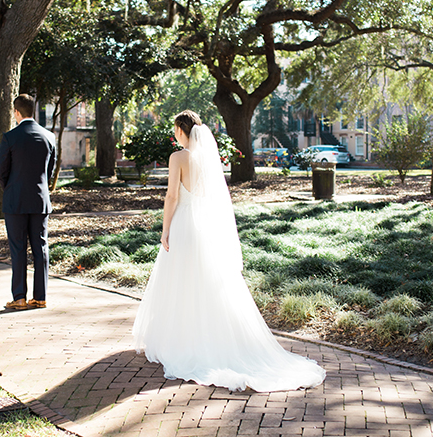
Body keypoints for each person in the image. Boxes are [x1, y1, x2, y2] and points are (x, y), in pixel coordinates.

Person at [133, 110, 326, 392]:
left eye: (175, 129)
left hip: (185, 225)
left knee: (181, 282)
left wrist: (165, 230)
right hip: (205, 229)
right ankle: (211, 338)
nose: (174, 134)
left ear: (182, 130)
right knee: (207, 283)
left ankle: (184, 341)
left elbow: (172, 196)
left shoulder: (179, 158)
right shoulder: (207, 160)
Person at [0, 94, 57, 310]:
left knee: (18, 248)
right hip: (40, 199)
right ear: (33, 110)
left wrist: (11, 189)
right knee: (40, 247)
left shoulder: (10, 137)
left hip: (15, 200)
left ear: (16, 113)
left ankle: (19, 297)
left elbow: (1, 172)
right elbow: (49, 171)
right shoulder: (49, 137)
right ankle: (40, 297)